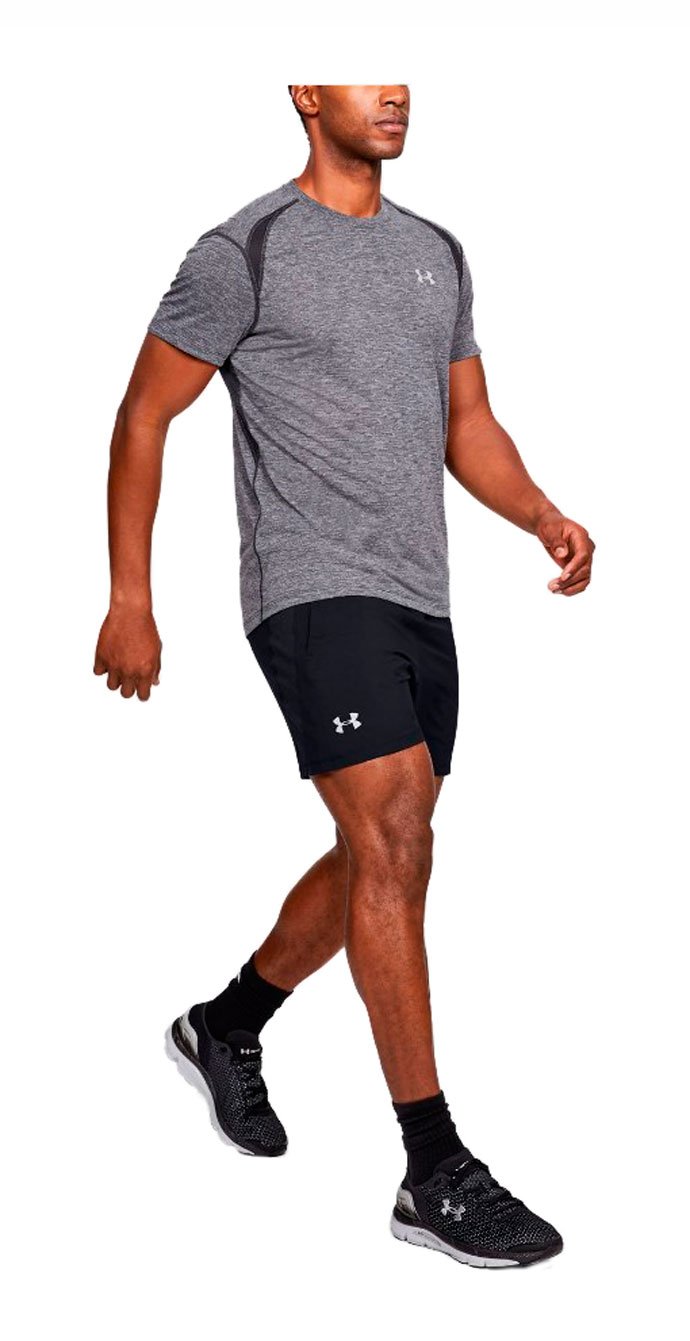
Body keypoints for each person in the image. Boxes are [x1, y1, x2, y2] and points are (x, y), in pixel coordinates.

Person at [94, 84, 594, 1270]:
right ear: (307, 94)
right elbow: (144, 414)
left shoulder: (437, 252)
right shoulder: (243, 251)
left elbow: (466, 421)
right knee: (396, 833)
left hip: (420, 590)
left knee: (390, 844)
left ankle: (227, 1024)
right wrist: (130, 597)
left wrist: (540, 513)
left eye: (401, 73)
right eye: (363, 72)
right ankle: (434, 1169)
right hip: (309, 582)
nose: (394, 91)